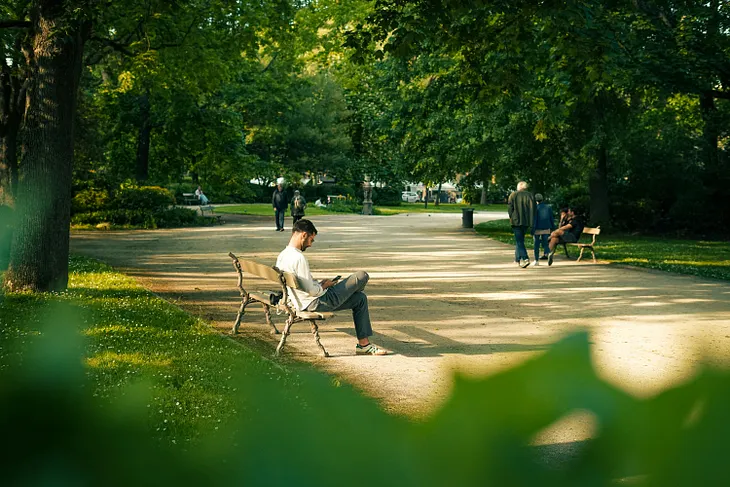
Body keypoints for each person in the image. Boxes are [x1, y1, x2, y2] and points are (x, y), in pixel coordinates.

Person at [275, 219, 389, 355]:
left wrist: (319, 284)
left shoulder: (283, 255)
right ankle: (350, 294)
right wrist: (324, 286)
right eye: (311, 239)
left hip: (299, 301)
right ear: (304, 235)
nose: (310, 244)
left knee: (360, 298)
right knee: (361, 276)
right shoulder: (299, 258)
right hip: (316, 302)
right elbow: (312, 291)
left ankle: (363, 345)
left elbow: (305, 285)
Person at [507, 181, 536, 268]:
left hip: (516, 221)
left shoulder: (513, 195)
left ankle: (525, 258)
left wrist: (511, 217)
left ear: (518, 187)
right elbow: (534, 209)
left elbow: (510, 208)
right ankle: (517, 259)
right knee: (520, 240)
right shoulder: (531, 195)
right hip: (526, 221)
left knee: (519, 241)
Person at [531, 193, 554, 266]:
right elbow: (551, 218)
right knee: (545, 243)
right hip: (546, 227)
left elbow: (534, 219)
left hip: (537, 227)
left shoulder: (535, 208)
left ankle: (536, 260)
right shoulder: (548, 207)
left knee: (536, 244)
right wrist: (552, 227)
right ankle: (548, 253)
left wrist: (532, 229)